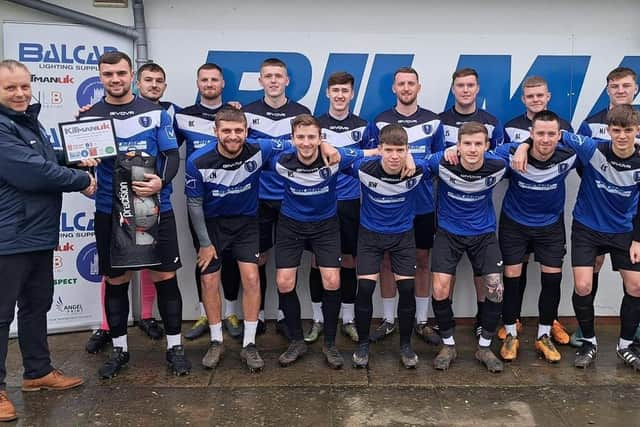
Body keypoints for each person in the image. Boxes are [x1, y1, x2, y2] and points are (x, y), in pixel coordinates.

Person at [79, 51, 190, 379]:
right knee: (116, 281)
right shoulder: (89, 116)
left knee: (165, 279)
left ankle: (174, 347)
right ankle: (120, 350)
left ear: (131, 76)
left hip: (154, 209)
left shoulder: (156, 113)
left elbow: (171, 155)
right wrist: (86, 178)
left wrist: (161, 180)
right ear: (100, 77)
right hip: (109, 211)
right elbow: (82, 162)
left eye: (121, 73)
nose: (115, 79)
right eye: (108, 74)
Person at [512, 105, 640, 371]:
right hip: (587, 228)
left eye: (628, 130)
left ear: (636, 131)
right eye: (616, 130)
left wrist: (638, 239)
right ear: (609, 131)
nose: (622, 136)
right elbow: (550, 134)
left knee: (636, 286)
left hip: (624, 231)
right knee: (583, 287)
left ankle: (625, 345)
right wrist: (524, 146)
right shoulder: (591, 147)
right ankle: (589, 342)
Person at [0, 59, 92, 422]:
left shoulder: (27, 122)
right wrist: (82, 180)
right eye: (11, 88)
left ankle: (37, 372)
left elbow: (47, 157)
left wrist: (83, 153)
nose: (20, 93)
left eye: (24, 86)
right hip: (9, 236)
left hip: (37, 234)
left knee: (37, 305)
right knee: (0, 314)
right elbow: (32, 172)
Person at [272, 114, 374, 369]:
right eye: (301, 137)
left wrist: (404, 156)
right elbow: (245, 146)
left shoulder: (334, 157)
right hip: (290, 225)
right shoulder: (280, 159)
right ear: (292, 139)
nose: (306, 143)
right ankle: (296, 341)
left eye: (311, 137)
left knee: (332, 280)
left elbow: (371, 153)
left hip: (326, 225)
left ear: (320, 139)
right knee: (284, 282)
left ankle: (330, 343)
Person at [364, 67, 444, 345]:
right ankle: (388, 319)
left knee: (421, 262)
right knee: (386, 262)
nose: (406, 88)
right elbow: (372, 159)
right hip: (388, 207)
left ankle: (421, 321)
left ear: (418, 87)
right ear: (394, 89)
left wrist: (414, 161)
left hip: (421, 205)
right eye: (401, 84)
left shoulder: (433, 121)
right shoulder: (380, 121)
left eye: (411, 83)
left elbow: (439, 162)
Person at [495, 110, 578, 362]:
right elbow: (481, 151)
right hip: (514, 224)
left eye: (551, 134)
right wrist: (521, 146)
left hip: (550, 227)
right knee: (512, 279)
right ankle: (511, 334)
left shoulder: (571, 154)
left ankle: (544, 336)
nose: (545, 139)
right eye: (539, 134)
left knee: (552, 281)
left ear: (559, 135)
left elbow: (608, 146)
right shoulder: (513, 153)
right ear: (531, 134)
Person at [430, 121, 507, 373]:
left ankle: (484, 347)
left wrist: (526, 148)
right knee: (440, 288)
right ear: (458, 146)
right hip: (448, 233)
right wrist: (442, 153)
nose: (473, 149)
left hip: (483, 234)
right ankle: (448, 345)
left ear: (487, 146)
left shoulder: (498, 163)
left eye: (478, 144)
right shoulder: (443, 162)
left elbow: (526, 145)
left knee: (495, 289)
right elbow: (415, 160)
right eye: (467, 144)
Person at [571, 66, 640, 347]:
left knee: (635, 282)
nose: (620, 91)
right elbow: (581, 166)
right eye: (615, 86)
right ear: (608, 89)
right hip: (593, 218)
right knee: (590, 271)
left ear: (635, 88)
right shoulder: (591, 124)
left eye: (626, 86)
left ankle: (632, 330)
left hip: (629, 219)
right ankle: (585, 331)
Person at [243, 58, 311, 339]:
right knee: (258, 259)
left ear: (287, 81)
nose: (273, 81)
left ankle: (284, 315)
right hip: (256, 197)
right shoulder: (246, 114)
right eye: (267, 76)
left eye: (278, 76)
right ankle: (256, 315)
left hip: (289, 198)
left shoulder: (301, 112)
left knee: (287, 261)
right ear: (260, 81)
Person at [175, 63, 244, 341]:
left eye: (214, 79)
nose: (209, 84)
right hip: (199, 199)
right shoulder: (183, 116)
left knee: (229, 259)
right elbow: (165, 149)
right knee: (204, 257)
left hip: (233, 198)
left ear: (223, 83)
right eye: (204, 79)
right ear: (197, 83)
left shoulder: (234, 114)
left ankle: (230, 312)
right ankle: (205, 313)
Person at [305, 71, 371, 344]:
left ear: (352, 94)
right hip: (321, 202)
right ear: (327, 94)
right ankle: (318, 320)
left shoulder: (363, 126)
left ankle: (348, 318)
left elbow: (369, 163)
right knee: (318, 261)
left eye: (345, 90)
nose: (340, 95)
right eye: (336, 90)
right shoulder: (315, 125)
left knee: (349, 260)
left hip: (351, 203)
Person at [439, 68, 505, 338]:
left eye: (470, 85)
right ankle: (447, 335)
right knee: (441, 284)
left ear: (478, 89)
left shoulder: (492, 122)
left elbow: (507, 152)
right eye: (460, 85)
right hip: (447, 222)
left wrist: (523, 147)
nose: (465, 90)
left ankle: (483, 325)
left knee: (489, 280)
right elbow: (427, 158)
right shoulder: (440, 121)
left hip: (483, 227)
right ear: (453, 89)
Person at [351, 124, 424, 369]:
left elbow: (453, 155)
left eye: (400, 150)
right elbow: (336, 154)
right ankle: (363, 344)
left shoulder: (418, 168)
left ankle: (405, 345)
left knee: (407, 289)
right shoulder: (364, 168)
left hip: (403, 236)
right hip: (370, 236)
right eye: (389, 149)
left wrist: (412, 158)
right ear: (380, 149)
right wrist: (368, 153)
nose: (394, 156)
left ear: (407, 151)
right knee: (364, 289)